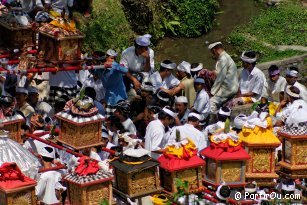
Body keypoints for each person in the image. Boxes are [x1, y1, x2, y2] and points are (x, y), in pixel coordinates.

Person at [95, 51, 128, 118]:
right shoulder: (99, 69)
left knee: (121, 122)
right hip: (108, 99)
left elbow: (125, 70)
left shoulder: (115, 68)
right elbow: (91, 70)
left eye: (114, 59)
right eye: (112, 58)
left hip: (120, 99)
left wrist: (113, 64)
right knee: (108, 122)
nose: (113, 60)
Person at [208, 42, 239, 112]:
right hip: (230, 86)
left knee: (210, 103)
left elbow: (220, 78)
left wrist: (212, 92)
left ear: (214, 50)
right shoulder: (225, 57)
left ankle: (216, 120)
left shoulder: (223, 59)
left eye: (212, 52)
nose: (213, 54)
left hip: (228, 88)